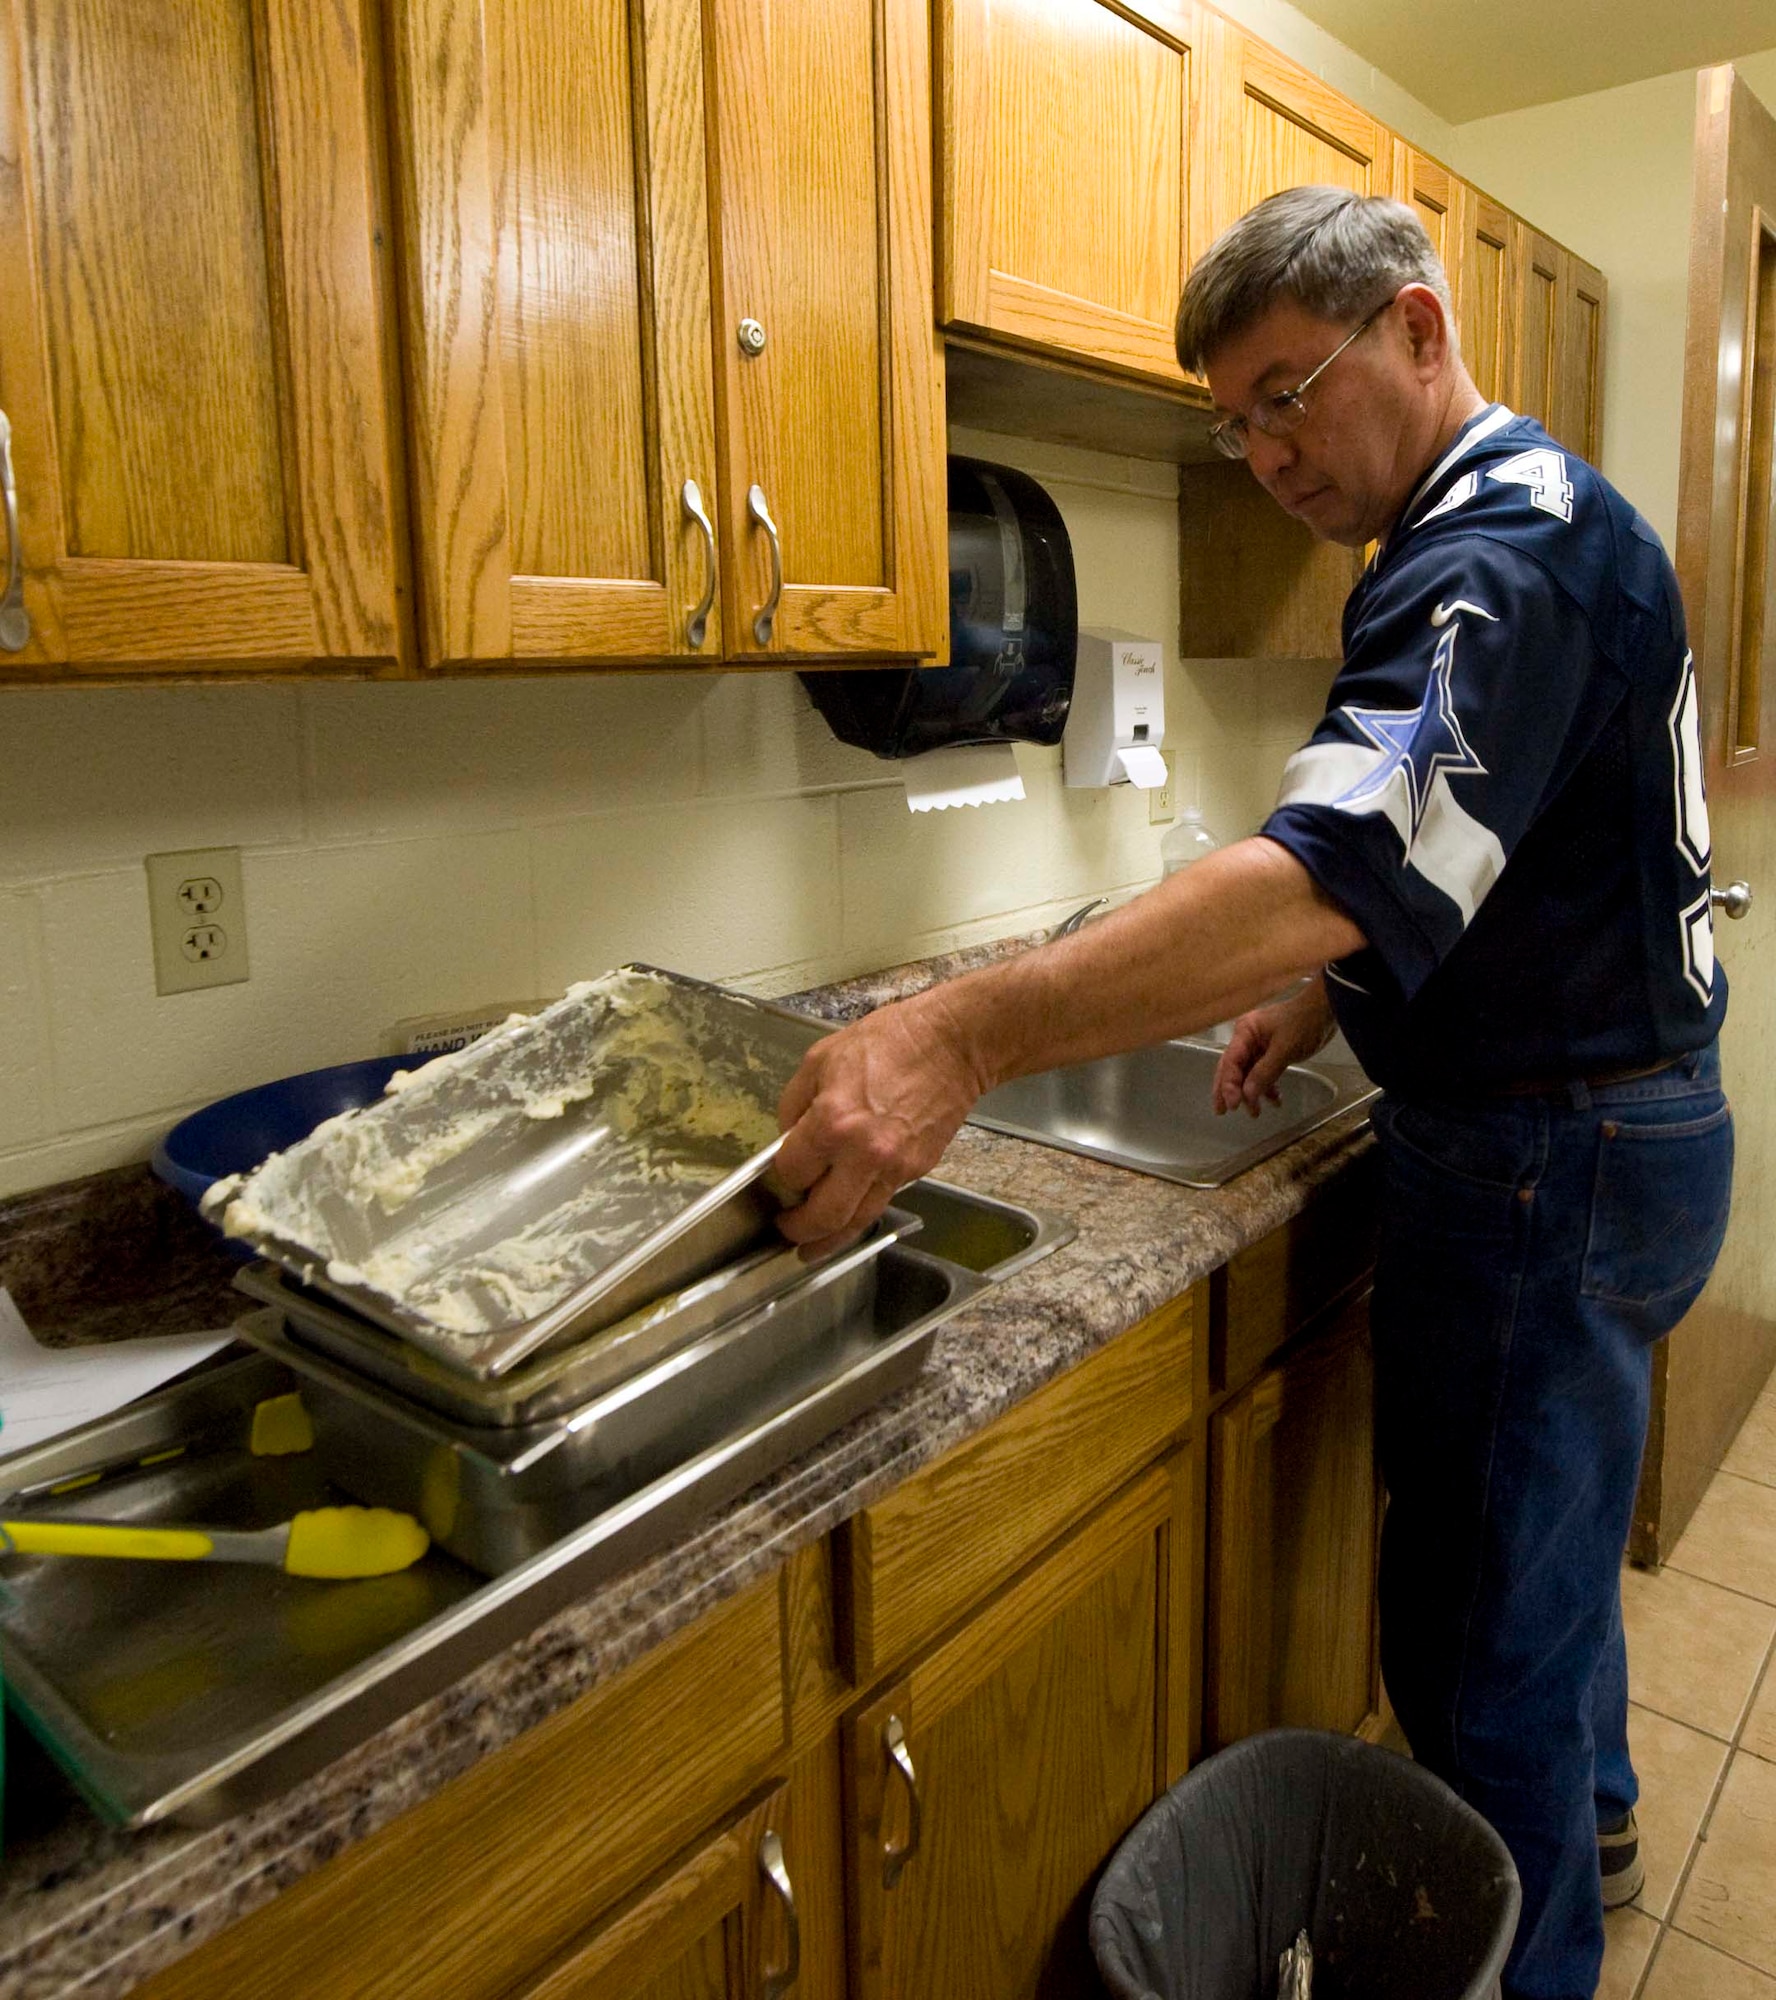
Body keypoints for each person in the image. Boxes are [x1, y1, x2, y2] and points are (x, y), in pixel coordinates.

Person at [771, 185, 1732, 2000]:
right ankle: (1590, 1822)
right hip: (1626, 1133)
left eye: (1289, 391)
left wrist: (966, 1030)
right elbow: (1459, 854)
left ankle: (1535, 1954)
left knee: (1472, 1652)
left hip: (1553, 1160)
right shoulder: (1521, 516)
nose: (1263, 452)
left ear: (1423, 331)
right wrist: (1319, 983)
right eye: (1235, 419)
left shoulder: (1486, 557)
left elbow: (1335, 858)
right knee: (1547, 1559)